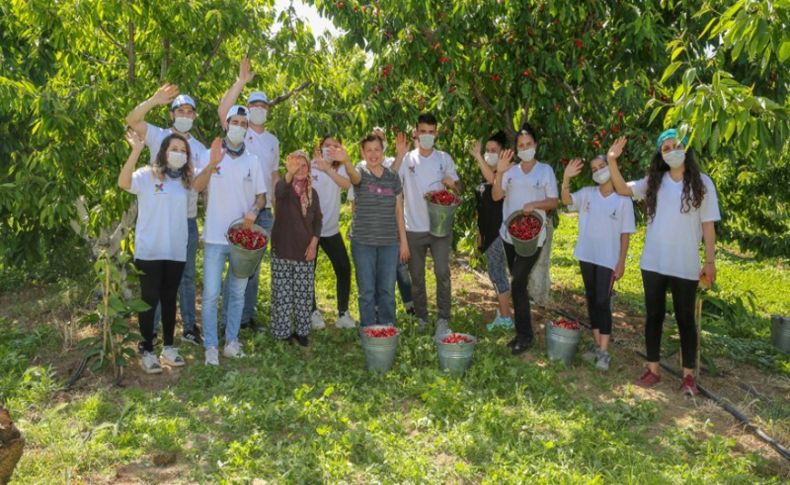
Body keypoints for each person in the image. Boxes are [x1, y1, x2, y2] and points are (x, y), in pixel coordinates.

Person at [606, 131, 719, 395]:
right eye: (666, 148)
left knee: (685, 320)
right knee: (653, 316)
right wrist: (612, 160)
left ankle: (689, 377)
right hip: (654, 262)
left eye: (676, 146)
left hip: (685, 263)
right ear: (661, 154)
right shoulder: (654, 183)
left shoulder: (703, 184)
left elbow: (708, 226)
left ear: (686, 149)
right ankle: (652, 369)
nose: (671, 151)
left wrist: (710, 261)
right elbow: (623, 189)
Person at [125, 84, 207, 345]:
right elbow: (132, 120)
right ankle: (151, 334)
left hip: (186, 220)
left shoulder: (200, 148)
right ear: (171, 114)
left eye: (189, 111)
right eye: (179, 110)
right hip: (157, 219)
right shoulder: (158, 135)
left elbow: (201, 184)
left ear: (194, 117)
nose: (184, 114)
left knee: (185, 278)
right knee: (153, 286)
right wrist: (154, 100)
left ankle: (188, 330)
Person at [192, 106, 266, 366]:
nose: (240, 126)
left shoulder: (253, 161)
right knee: (211, 294)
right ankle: (211, 345)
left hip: (240, 242)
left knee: (237, 293)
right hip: (214, 237)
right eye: (235, 121)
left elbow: (261, 196)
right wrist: (212, 165)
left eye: (244, 123)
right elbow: (196, 186)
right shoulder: (209, 154)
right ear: (226, 124)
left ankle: (231, 341)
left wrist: (254, 211)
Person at [118, 130, 192, 374]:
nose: (178, 154)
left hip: (175, 250)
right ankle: (147, 349)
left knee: (170, 299)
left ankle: (168, 347)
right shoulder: (147, 175)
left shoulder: (184, 181)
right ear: (163, 152)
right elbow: (123, 182)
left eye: (183, 151)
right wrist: (135, 151)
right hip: (150, 250)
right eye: (174, 149)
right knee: (149, 300)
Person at [218, 59, 280, 332]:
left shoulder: (273, 141)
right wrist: (241, 82)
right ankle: (226, 319)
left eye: (262, 106)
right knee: (234, 266)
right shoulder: (239, 131)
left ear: (267, 110)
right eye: (253, 105)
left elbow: (274, 176)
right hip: (238, 207)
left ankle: (246, 317)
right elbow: (223, 109)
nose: (258, 110)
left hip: (263, 211)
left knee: (252, 267)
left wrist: (277, 210)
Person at [561, 154, 635, 370]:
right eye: (594, 169)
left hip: (608, 259)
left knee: (603, 302)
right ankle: (596, 345)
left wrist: (621, 262)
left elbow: (625, 235)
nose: (598, 171)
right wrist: (566, 178)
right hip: (587, 254)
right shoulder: (588, 194)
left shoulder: (623, 199)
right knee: (592, 299)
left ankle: (604, 352)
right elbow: (566, 201)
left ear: (611, 167)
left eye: (602, 166)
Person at [391, 113, 461, 339]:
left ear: (436, 134)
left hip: (439, 228)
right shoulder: (408, 160)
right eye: (423, 131)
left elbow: (459, 188)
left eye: (431, 132)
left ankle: (443, 318)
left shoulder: (444, 158)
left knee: (442, 272)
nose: (427, 135)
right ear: (416, 133)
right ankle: (421, 317)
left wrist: (453, 184)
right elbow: (390, 182)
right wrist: (399, 156)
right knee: (417, 278)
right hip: (414, 229)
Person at [492, 123, 559, 355]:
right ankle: (522, 333)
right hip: (510, 235)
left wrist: (535, 205)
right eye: (521, 145)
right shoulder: (510, 170)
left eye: (529, 144)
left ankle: (525, 336)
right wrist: (499, 172)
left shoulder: (545, 170)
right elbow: (496, 195)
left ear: (536, 146)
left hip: (533, 236)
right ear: (516, 149)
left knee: (517, 282)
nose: (525, 148)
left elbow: (553, 201)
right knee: (518, 285)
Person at [340, 132, 409, 328]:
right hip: (363, 243)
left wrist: (403, 242)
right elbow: (353, 176)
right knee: (367, 291)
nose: (373, 154)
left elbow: (398, 210)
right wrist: (346, 161)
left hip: (389, 243)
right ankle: (369, 330)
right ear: (362, 152)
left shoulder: (392, 177)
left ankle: (386, 329)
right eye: (368, 150)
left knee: (387, 290)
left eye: (377, 149)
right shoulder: (361, 173)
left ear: (382, 151)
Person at [270, 151, 322, 346]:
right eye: (295, 165)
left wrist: (314, 243)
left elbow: (317, 220)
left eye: (304, 165)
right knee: (282, 293)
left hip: (304, 251)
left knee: (303, 294)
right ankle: (282, 332)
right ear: (289, 167)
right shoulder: (284, 188)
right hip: (282, 249)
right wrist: (289, 174)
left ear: (308, 169)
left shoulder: (312, 193)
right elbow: (278, 192)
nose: (300, 169)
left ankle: (302, 332)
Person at [309, 136, 356, 330]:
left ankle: (343, 313)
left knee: (343, 268)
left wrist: (330, 167)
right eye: (327, 145)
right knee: (308, 272)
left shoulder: (341, 168)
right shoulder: (310, 166)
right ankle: (311, 311)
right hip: (310, 231)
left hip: (330, 230)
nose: (330, 148)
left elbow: (349, 185)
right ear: (320, 147)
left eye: (335, 146)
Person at [470, 132, 515, 331]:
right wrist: (480, 234)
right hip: (488, 233)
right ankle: (504, 311)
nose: (488, 154)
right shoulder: (485, 174)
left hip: (500, 233)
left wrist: (478, 156)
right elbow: (482, 207)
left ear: (503, 153)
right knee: (494, 273)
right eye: (486, 151)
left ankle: (506, 317)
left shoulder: (507, 173)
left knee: (498, 274)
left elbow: (496, 189)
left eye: (493, 151)